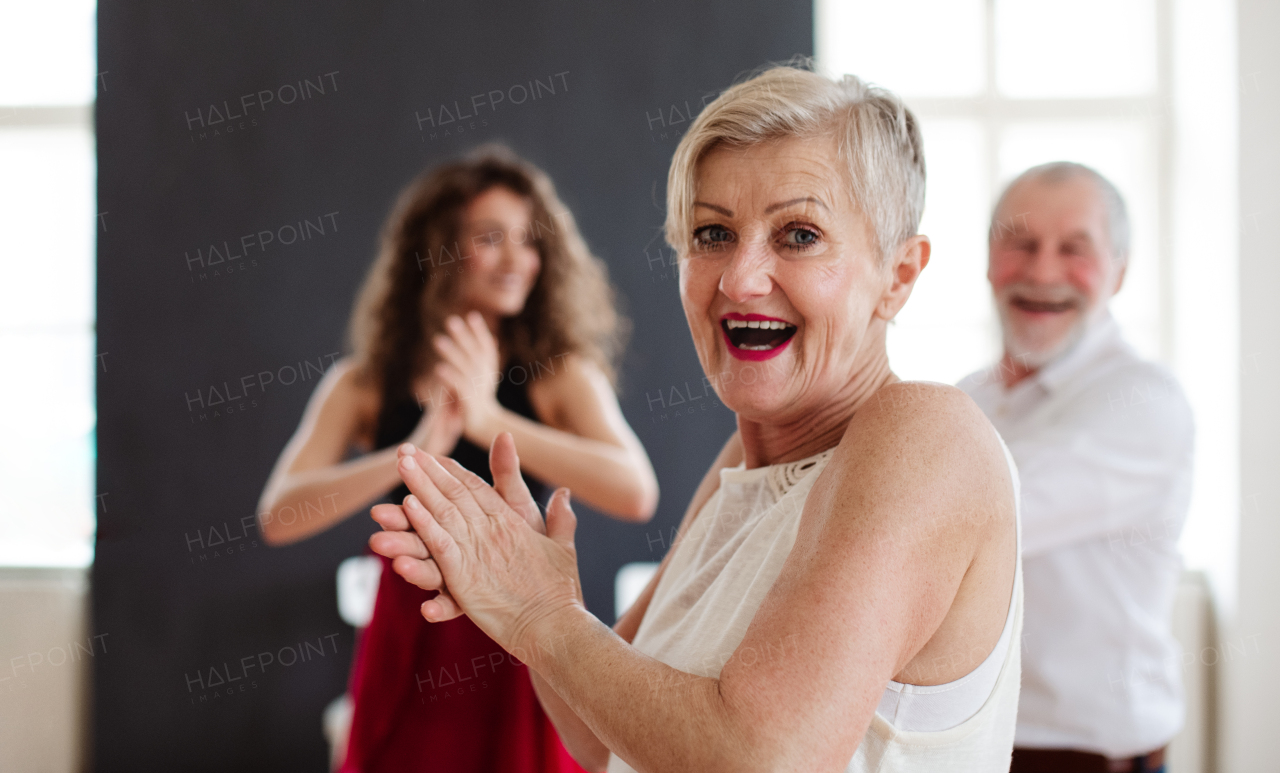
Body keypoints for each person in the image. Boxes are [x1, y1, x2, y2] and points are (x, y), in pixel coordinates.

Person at [369, 65, 1024, 771]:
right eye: (713, 233)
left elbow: (760, 759)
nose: (740, 279)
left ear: (898, 276)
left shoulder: (927, 433)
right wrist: (529, 599)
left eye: (799, 234)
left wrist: (542, 616)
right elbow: (603, 740)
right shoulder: (743, 463)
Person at [256, 144, 659, 773]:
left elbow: (635, 491)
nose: (516, 259)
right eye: (490, 238)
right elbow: (279, 517)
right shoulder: (363, 382)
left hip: (519, 618)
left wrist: (490, 420)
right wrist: (413, 451)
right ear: (438, 250)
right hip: (409, 625)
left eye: (528, 241)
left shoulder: (560, 375)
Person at [957, 163, 1194, 773]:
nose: (1042, 272)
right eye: (1022, 244)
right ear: (989, 259)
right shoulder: (968, 399)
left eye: (1074, 249)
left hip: (1087, 758)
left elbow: (980, 517)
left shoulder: (1145, 402)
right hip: (975, 751)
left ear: (1120, 269)